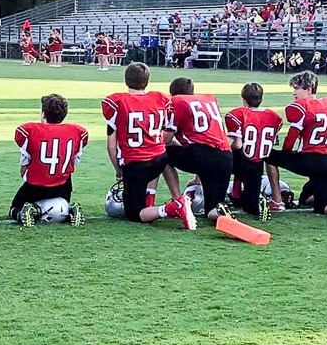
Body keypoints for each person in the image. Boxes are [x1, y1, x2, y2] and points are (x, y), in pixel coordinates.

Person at [265, 71, 327, 224]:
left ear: (309, 88)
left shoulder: (302, 106)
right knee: (323, 207)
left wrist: (288, 152)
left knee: (269, 156)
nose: (294, 92)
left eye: (297, 88)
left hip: (311, 159)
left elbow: (291, 138)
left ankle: (277, 201)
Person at [102, 63, 194, 230]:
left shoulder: (116, 102)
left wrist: (118, 170)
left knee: (135, 214)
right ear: (147, 80)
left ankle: (173, 207)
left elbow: (111, 146)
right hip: (159, 160)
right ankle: (151, 198)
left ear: (126, 80)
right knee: (154, 152)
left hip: (136, 165)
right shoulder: (160, 99)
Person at [10, 94, 88, 227]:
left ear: (44, 113)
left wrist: (26, 177)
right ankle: (70, 211)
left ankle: (28, 212)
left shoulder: (31, 131)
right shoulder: (77, 132)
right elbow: (74, 161)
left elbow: (24, 164)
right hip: (63, 187)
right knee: (60, 210)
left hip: (36, 185)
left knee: (14, 209)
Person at [163, 77, 234, 222]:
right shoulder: (209, 99)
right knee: (212, 211)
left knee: (161, 154)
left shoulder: (177, 102)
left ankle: (178, 201)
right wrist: (197, 178)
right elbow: (208, 137)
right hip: (226, 158)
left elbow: (166, 139)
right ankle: (222, 212)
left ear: (172, 94)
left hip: (203, 156)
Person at [224, 82, 283, 218]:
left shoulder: (237, 114)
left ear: (244, 99)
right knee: (251, 206)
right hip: (258, 163)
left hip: (242, 159)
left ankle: (220, 201)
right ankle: (256, 204)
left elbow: (238, 144)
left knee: (219, 166)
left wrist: (226, 150)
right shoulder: (274, 117)